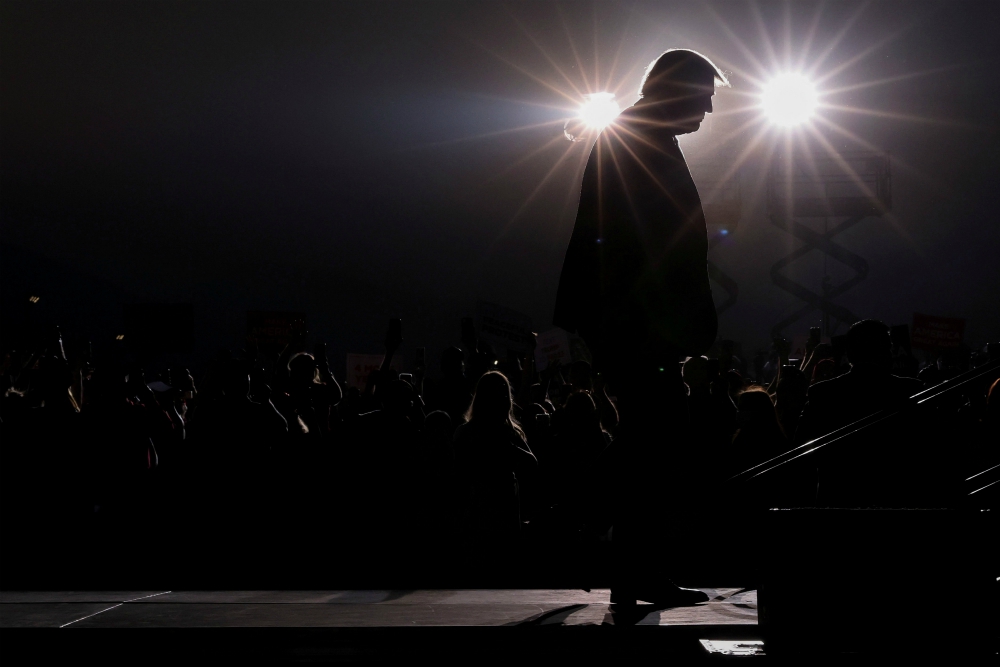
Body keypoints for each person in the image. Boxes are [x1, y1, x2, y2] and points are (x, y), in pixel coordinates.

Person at [553, 49, 729, 607]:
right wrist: (652, 323)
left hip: (636, 323)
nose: (707, 109)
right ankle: (603, 535)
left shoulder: (637, 137)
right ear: (677, 89)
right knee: (655, 438)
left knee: (650, 438)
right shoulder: (637, 141)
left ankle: (613, 547)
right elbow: (631, 245)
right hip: (638, 324)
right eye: (703, 96)